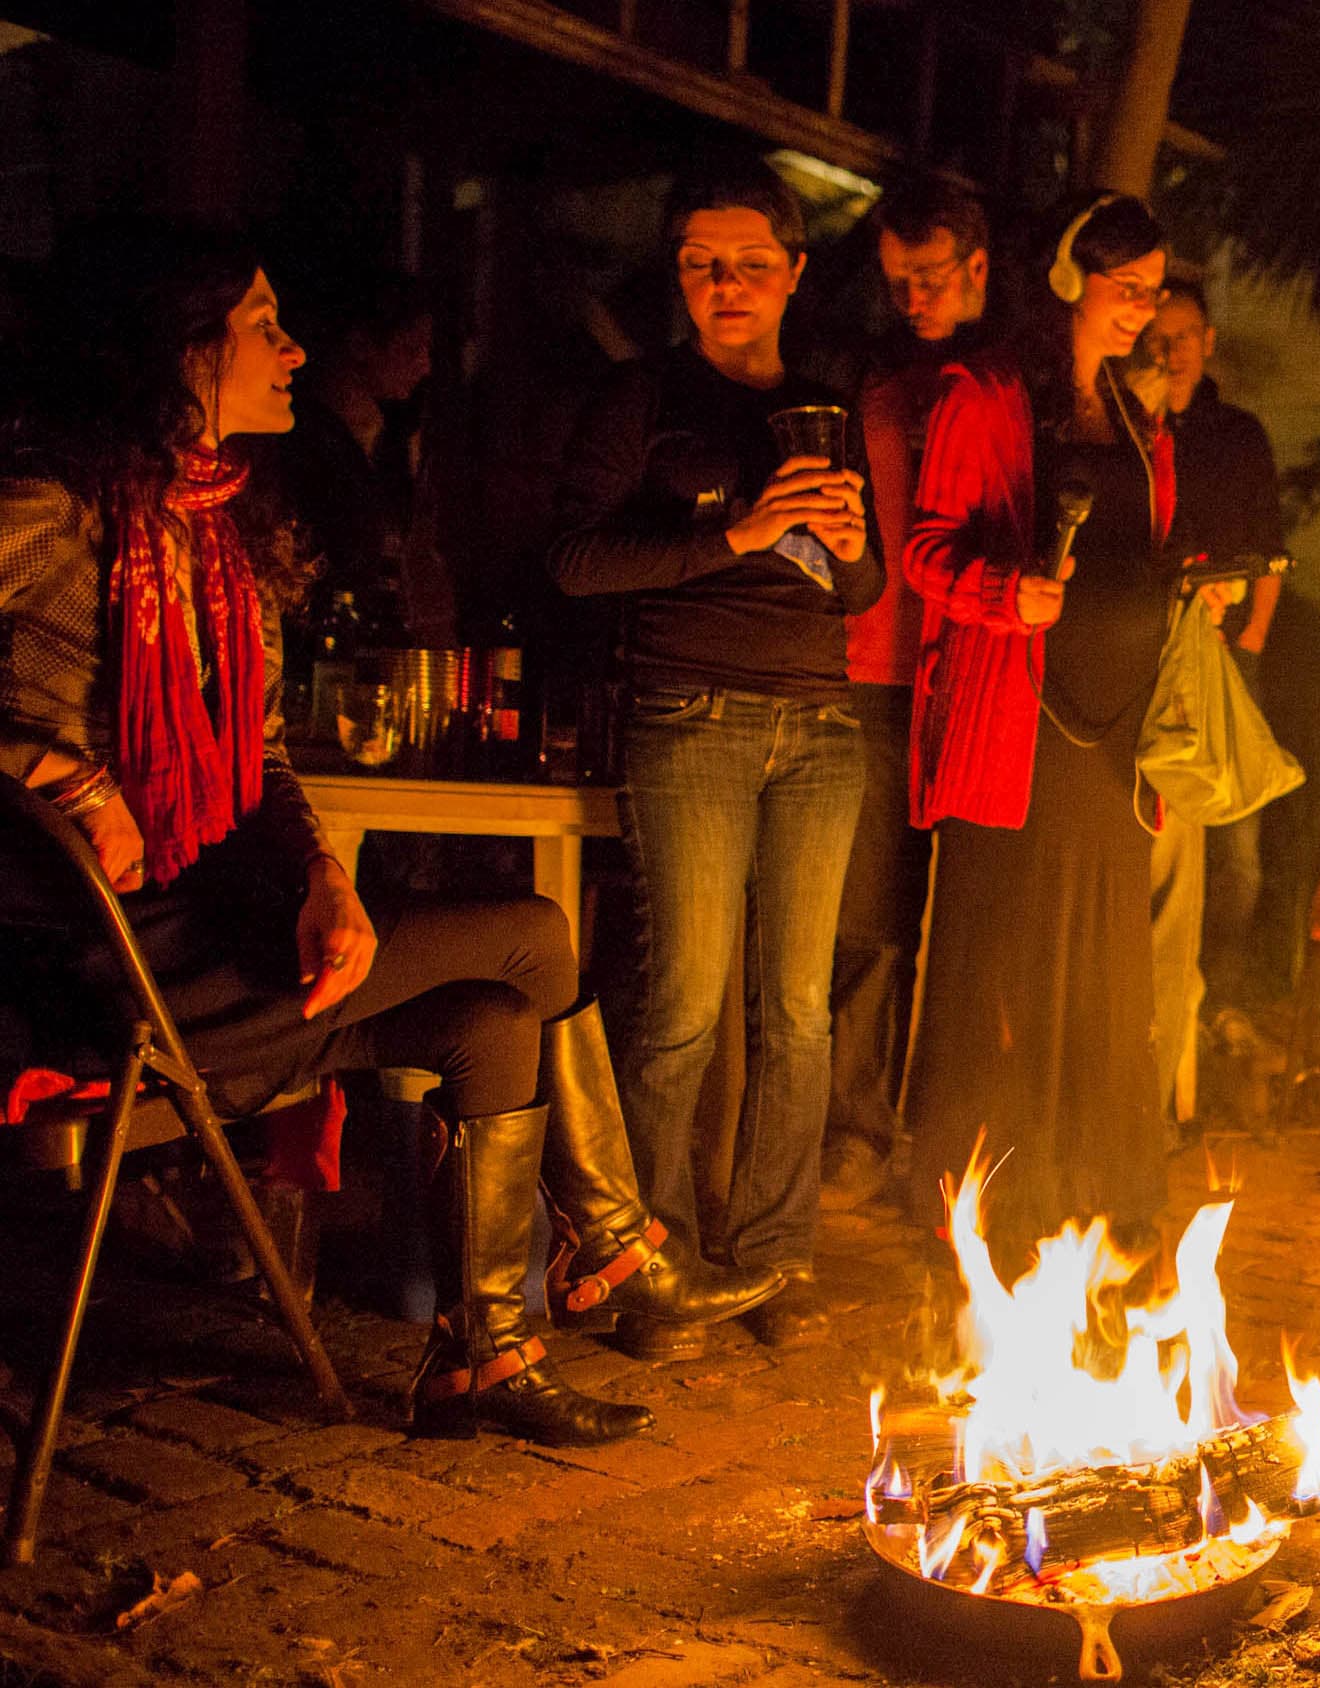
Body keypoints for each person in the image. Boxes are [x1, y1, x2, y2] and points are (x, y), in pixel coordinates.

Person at [0, 220, 778, 1445]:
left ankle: (485, 1357)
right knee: (532, 934)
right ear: (182, 347)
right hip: (100, 958)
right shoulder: (56, 503)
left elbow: (256, 757)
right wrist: (67, 774)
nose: (295, 348)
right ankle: (624, 1254)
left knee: (490, 1019)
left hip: (214, 925)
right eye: (263, 323)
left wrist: (320, 870)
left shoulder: (217, 529)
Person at [549, 159, 879, 1348]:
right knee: (685, 1000)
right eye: (699, 263)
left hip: (820, 724)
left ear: (793, 272)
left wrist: (842, 544)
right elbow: (577, 561)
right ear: (678, 276)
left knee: (799, 1009)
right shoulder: (641, 399)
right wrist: (736, 529)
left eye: (748, 263)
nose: (724, 284)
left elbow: (865, 583)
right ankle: (658, 1264)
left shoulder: (824, 406)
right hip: (688, 712)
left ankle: (774, 1259)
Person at [895, 193, 1239, 1251]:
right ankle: (998, 1202)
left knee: (1102, 965)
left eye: (1153, 288)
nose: (1141, 307)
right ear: (1064, 278)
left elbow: (1144, 551)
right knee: (1005, 961)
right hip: (1018, 731)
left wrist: (1193, 586)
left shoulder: (1136, 414)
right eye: (1123, 285)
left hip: (1115, 740)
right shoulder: (986, 394)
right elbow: (923, 547)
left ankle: (1103, 1190)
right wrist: (1005, 593)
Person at [820, 181, 994, 1213]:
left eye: (930, 276)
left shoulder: (1004, 386)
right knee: (867, 916)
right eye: (898, 282)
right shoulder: (875, 387)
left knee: (969, 927)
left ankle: (949, 1139)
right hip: (874, 675)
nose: (914, 297)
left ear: (977, 264)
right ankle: (852, 1128)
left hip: (977, 685)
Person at [1140, 279, 1285, 1127]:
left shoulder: (1236, 436)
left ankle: (1217, 993)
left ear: (1209, 339)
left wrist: (1251, 645)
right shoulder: (1137, 424)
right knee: (1167, 837)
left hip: (1228, 653)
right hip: (1155, 651)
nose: (1171, 349)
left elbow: (1268, 545)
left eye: (1183, 334)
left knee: (1239, 849)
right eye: (1157, 336)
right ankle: (1161, 1000)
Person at [259, 274, 454, 644]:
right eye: (413, 347)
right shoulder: (305, 445)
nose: (425, 365)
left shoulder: (384, 442)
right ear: (361, 344)